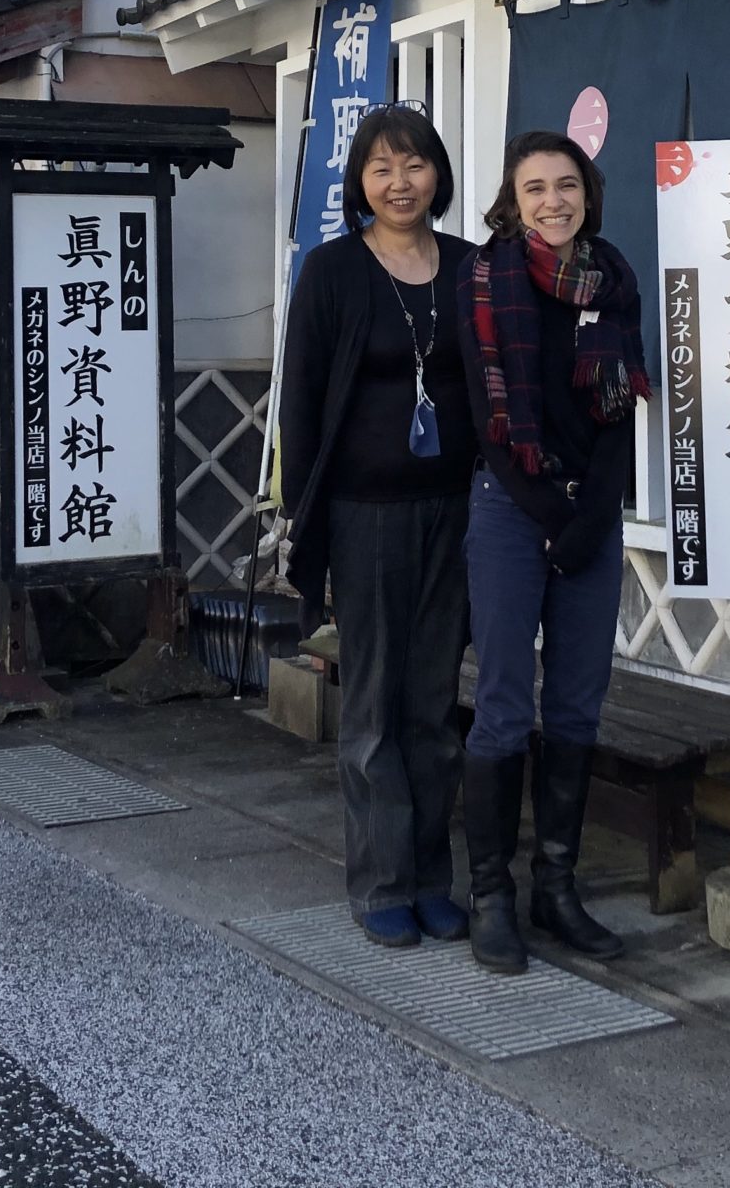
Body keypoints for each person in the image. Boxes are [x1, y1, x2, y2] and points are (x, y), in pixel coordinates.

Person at [276, 105, 479, 948]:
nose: (400, 183)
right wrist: (303, 520)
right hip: (364, 515)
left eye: (416, 165)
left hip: (455, 511)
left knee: (434, 703)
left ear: (439, 173)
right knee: (373, 707)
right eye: (381, 169)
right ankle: (382, 881)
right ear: (358, 182)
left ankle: (434, 876)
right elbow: (302, 401)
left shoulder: (471, 267)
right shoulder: (331, 271)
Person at [455, 130, 651, 974]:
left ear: (588, 192)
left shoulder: (614, 279)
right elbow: (484, 419)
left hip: (589, 515)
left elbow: (620, 416)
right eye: (534, 188)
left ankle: (556, 887)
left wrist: (591, 514)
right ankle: (493, 896)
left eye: (566, 185)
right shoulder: (484, 280)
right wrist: (545, 513)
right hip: (509, 507)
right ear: (513, 199)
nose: (552, 202)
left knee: (576, 703)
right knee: (503, 703)